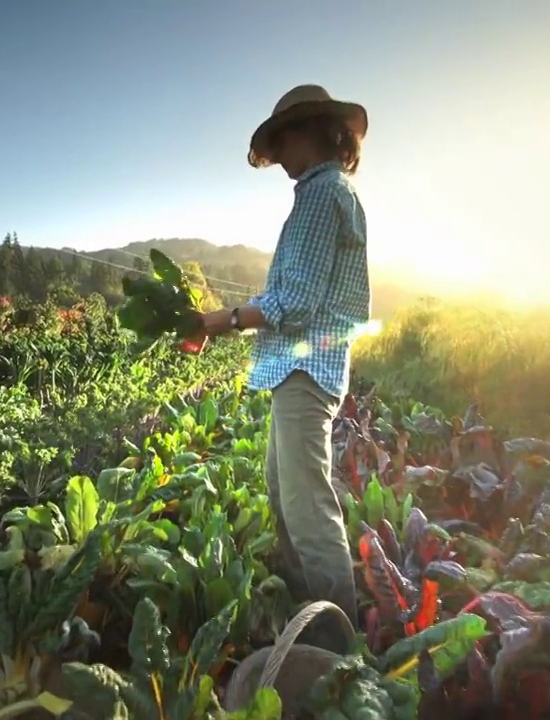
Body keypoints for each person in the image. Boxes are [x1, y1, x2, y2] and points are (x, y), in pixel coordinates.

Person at [191, 84, 371, 653]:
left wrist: (221, 319)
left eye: (283, 139)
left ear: (310, 133)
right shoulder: (325, 194)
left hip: (305, 370)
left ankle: (338, 646)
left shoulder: (322, 197)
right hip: (300, 369)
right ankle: (308, 618)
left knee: (306, 505)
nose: (280, 156)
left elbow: (295, 302)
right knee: (282, 491)